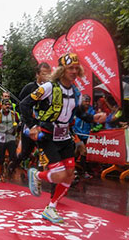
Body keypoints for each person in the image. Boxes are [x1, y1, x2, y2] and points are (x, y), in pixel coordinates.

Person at [20, 53, 106, 224]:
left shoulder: (75, 91)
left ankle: (51, 208)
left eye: (76, 68)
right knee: (59, 174)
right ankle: (37, 175)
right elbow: (24, 104)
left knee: (69, 175)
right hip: (48, 135)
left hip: (65, 136)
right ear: (61, 70)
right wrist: (32, 126)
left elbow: (79, 113)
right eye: (70, 68)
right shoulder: (49, 87)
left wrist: (93, 118)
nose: (74, 71)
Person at [15, 62, 51, 169]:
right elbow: (20, 105)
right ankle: (12, 166)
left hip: (44, 125)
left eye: (49, 74)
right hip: (30, 125)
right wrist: (27, 119)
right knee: (25, 152)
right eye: (44, 74)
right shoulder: (30, 88)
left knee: (45, 149)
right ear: (37, 74)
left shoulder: (50, 88)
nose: (47, 77)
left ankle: (45, 175)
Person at [0, 99, 20, 182]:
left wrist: (17, 133)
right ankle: (0, 174)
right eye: (5, 105)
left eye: (8, 105)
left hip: (11, 136)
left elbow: (19, 123)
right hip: (0, 136)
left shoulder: (14, 115)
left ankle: (10, 172)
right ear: (1, 106)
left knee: (14, 157)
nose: (7, 106)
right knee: (1, 157)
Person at [73, 94, 95, 179]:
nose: (87, 103)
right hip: (77, 134)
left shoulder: (91, 110)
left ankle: (75, 170)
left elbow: (92, 119)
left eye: (88, 101)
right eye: (85, 101)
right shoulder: (77, 109)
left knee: (79, 153)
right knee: (82, 152)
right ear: (81, 101)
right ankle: (82, 172)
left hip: (85, 134)